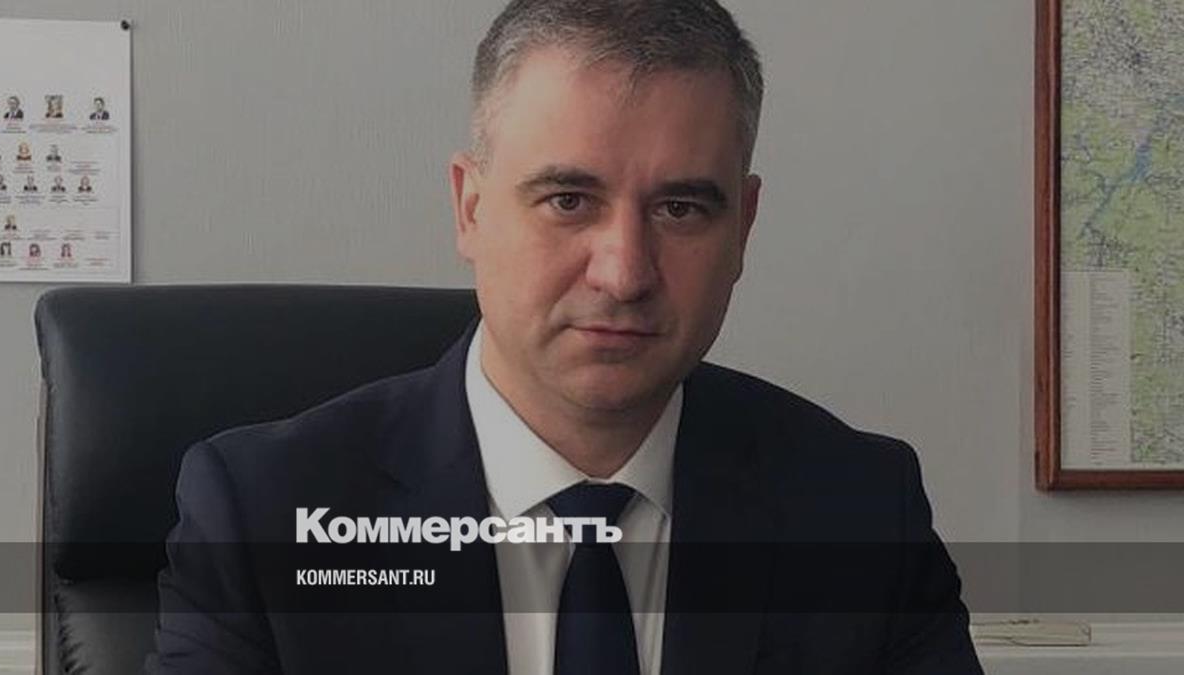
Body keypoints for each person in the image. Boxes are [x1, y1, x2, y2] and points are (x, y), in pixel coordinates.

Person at [153, 2, 982, 674]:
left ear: (744, 227)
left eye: (680, 208)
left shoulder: (861, 512)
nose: (624, 272)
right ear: (471, 207)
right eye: (568, 200)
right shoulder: (266, 514)